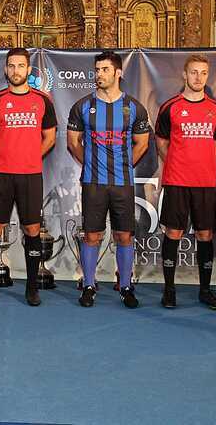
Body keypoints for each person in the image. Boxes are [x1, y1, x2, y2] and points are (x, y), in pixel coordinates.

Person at [67, 51, 150, 308]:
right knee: (92, 235)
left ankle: (125, 286)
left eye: (105, 70)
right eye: (97, 70)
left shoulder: (134, 107)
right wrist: (91, 163)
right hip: (93, 182)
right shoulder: (82, 106)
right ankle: (89, 285)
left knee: (124, 235)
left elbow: (142, 144)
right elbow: (73, 143)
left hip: (122, 183)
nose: (99, 74)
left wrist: (125, 165)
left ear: (118, 73)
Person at [0, 47, 57, 306]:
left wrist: (30, 157)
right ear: (5, 69)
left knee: (32, 229)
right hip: (0, 174)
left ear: (29, 69)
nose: (16, 70)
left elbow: (50, 138)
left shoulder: (43, 100)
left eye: (21, 65)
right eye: (11, 65)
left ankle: (32, 288)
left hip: (30, 175)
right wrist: (2, 156)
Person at [155, 54, 216, 309]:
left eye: (203, 73)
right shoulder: (170, 107)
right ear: (185, 75)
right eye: (194, 72)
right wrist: (179, 161)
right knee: (173, 233)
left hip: (205, 182)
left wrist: (202, 161)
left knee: (205, 234)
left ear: (208, 76)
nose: (199, 77)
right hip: (177, 180)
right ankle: (169, 290)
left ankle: (205, 290)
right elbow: (161, 143)